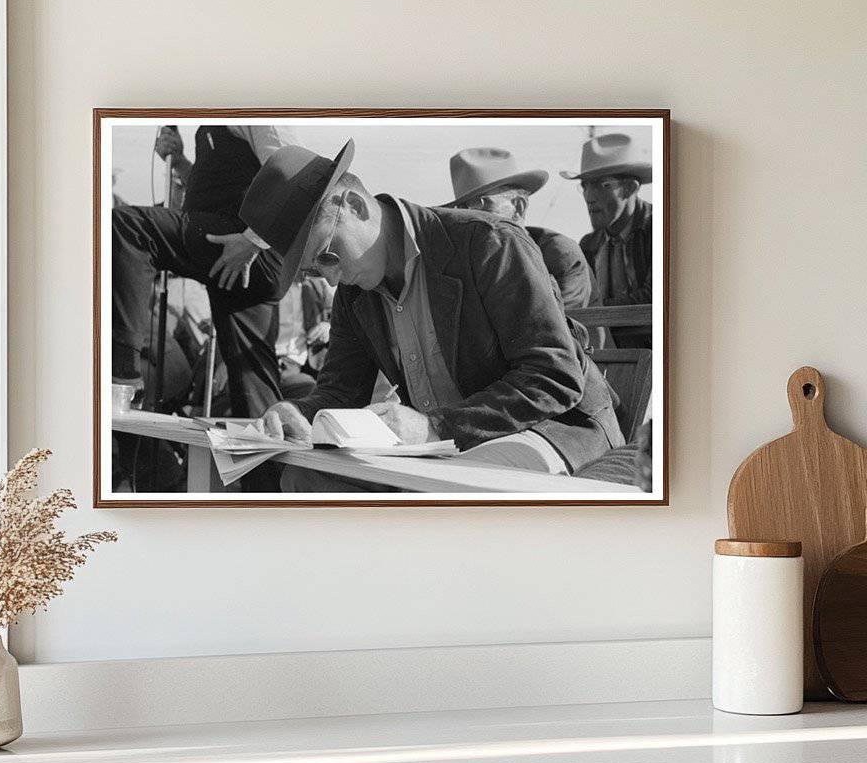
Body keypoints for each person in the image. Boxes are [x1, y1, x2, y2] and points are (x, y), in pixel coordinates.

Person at [236, 140, 624, 493]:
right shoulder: (355, 292)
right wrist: (296, 411)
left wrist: (435, 425)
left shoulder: (490, 243)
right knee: (303, 477)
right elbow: (340, 393)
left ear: (353, 205)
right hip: (442, 450)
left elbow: (554, 376)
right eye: (315, 271)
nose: (332, 278)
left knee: (444, 491)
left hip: (553, 428)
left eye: (327, 255)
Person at [111, 123, 300, 418]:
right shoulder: (221, 121)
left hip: (246, 249)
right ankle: (267, 457)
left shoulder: (255, 108)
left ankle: (121, 376)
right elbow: (220, 190)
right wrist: (183, 164)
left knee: (128, 227)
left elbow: (294, 176)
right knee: (254, 390)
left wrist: (253, 241)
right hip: (241, 258)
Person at [446, 148, 593, 309]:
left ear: (518, 207)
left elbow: (560, 327)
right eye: (461, 208)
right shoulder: (464, 265)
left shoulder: (559, 255)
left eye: (482, 204)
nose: (470, 217)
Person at [561, 132, 654, 347]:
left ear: (630, 188)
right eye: (585, 185)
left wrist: (593, 310)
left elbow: (654, 299)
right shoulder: (589, 245)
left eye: (603, 185)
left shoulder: (660, 231)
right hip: (612, 357)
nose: (589, 196)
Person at [276, 277, 334, 401]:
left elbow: (336, 317)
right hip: (263, 362)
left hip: (297, 367)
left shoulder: (317, 286)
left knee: (312, 391)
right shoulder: (270, 282)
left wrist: (327, 326)